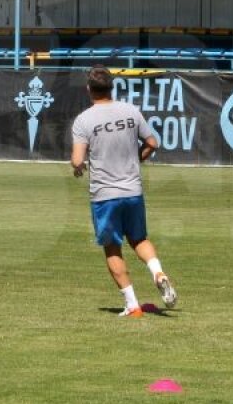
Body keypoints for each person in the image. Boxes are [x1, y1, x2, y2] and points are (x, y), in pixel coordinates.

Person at [71, 65, 179, 317]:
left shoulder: (84, 120)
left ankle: (132, 305)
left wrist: (77, 166)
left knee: (112, 247)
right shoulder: (130, 111)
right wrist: (138, 158)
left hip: (105, 195)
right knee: (139, 239)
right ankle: (157, 272)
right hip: (132, 190)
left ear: (89, 90)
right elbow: (153, 143)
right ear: (112, 87)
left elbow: (77, 160)